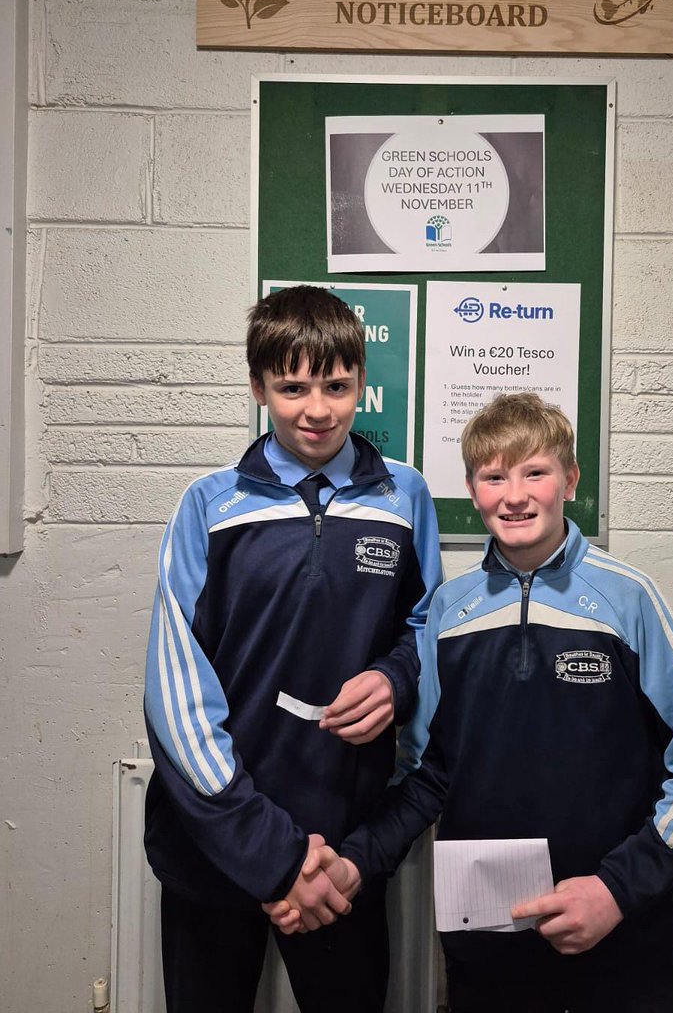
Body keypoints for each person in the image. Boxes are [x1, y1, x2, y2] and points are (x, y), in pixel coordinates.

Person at [272, 392, 673, 1012]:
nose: (515, 496)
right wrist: (356, 862)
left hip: (621, 938)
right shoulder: (449, 612)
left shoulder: (631, 600)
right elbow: (427, 776)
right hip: (488, 949)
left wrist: (616, 891)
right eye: (494, 476)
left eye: (535, 472)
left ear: (570, 480)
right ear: (472, 489)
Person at [142, 284, 442, 1013]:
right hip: (217, 844)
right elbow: (174, 691)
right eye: (293, 386)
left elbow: (429, 629)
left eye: (336, 386)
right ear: (258, 387)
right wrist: (276, 861)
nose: (317, 408)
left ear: (361, 384)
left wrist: (396, 678)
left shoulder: (404, 497)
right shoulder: (208, 504)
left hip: (341, 853)